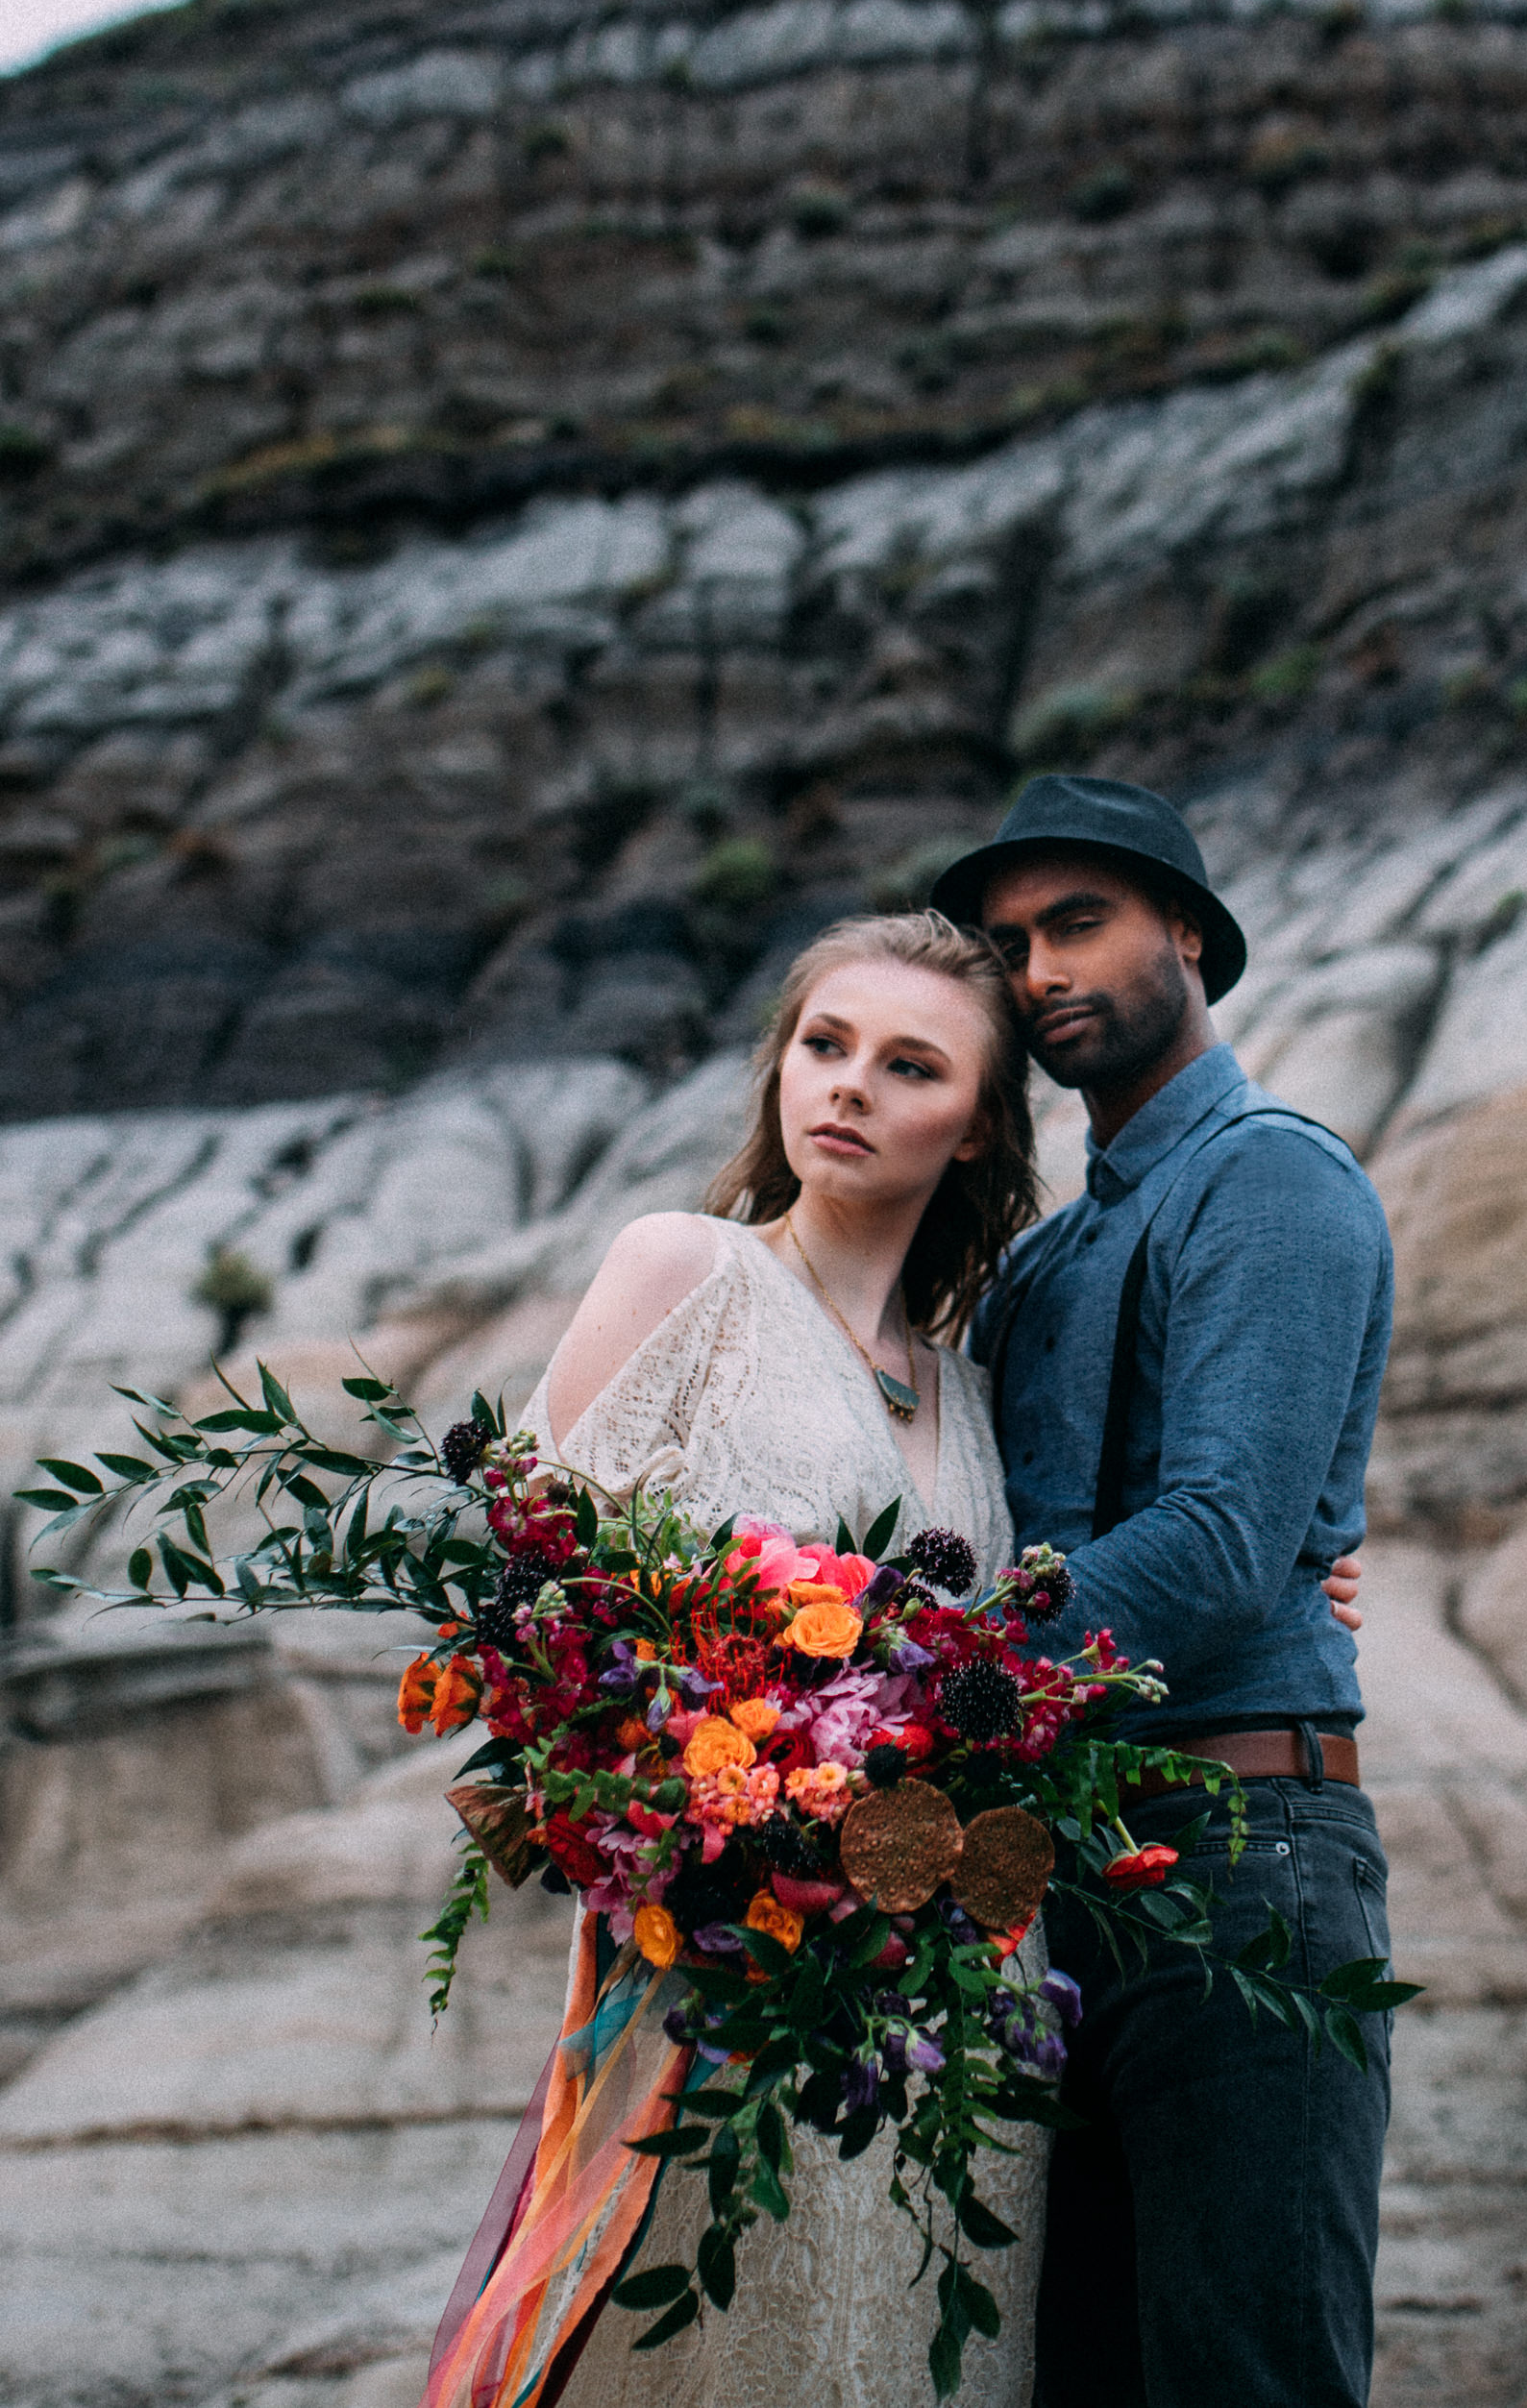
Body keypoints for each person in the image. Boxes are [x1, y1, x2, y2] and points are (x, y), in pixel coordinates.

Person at [430, 904, 1374, 2406]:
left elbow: (1149, 1554)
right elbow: (525, 1618)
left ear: (982, 1135)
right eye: (824, 1045)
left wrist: (1288, 1583)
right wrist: (722, 1784)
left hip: (960, 2019)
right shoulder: (685, 1272)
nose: (850, 1087)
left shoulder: (977, 1394)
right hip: (730, 1982)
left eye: (909, 1065)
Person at [934, 775, 1399, 2408]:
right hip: (1050, 1883)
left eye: (1079, 923)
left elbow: (1216, 1540)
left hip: (1239, 1858)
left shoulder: (1272, 1180)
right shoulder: (1051, 1259)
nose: (1041, 969)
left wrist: (919, 1699)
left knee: (1243, 2380)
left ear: (1186, 935)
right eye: (1008, 945)